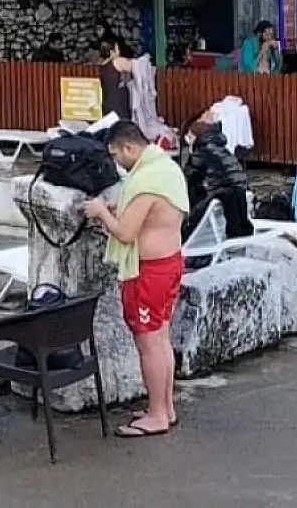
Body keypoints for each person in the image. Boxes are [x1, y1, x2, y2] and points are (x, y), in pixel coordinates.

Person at [83, 120, 189, 438]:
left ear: (129, 148)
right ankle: (165, 407)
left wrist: (102, 212)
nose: (117, 163)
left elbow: (127, 233)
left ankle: (156, 415)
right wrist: (122, 208)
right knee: (161, 339)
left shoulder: (145, 180)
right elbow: (151, 214)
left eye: (117, 155)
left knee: (149, 344)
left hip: (149, 272)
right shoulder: (165, 168)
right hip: (169, 262)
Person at [181, 114, 254, 252]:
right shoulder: (221, 148)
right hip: (240, 192)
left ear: (196, 136)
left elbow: (188, 178)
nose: (187, 139)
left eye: (189, 136)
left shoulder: (202, 151)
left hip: (224, 193)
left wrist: (190, 154)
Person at [98, 33, 134, 121]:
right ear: (111, 51)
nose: (119, 51)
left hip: (107, 102)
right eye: (117, 48)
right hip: (119, 102)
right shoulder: (117, 61)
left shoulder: (102, 64)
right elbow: (135, 66)